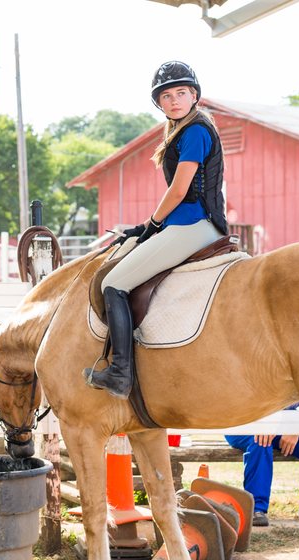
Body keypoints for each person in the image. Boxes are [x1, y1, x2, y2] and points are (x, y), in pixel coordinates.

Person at [84, 61, 227, 398]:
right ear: (159, 103)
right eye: (167, 95)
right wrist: (147, 227)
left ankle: (120, 372)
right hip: (188, 223)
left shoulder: (194, 131)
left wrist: (153, 225)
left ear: (194, 96)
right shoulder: (184, 129)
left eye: (181, 93)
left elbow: (179, 191)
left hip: (194, 226)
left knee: (113, 282)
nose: (174, 100)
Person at [225, 403, 299, 526]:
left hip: (285, 421)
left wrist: (295, 428)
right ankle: (255, 508)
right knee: (260, 442)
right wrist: (266, 423)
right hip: (245, 420)